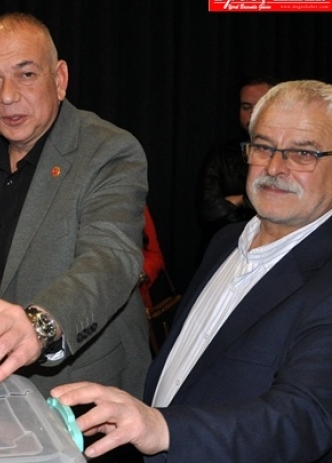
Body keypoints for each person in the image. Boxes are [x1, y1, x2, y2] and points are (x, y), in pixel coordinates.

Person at [52, 80, 332, 462]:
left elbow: (303, 418)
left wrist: (163, 428)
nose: (274, 167)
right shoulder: (225, 242)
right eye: (263, 146)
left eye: (302, 153)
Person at [0, 12, 150, 400]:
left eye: (26, 74)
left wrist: (40, 325)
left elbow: (111, 258)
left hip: (79, 392)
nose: (7, 95)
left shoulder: (109, 150)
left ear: (59, 79)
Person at [195, 75, 277, 249]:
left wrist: (238, 200)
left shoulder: (289, 153)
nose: (253, 113)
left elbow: (284, 205)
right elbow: (208, 211)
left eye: (261, 105)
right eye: (246, 107)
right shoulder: (221, 153)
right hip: (228, 247)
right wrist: (252, 202)